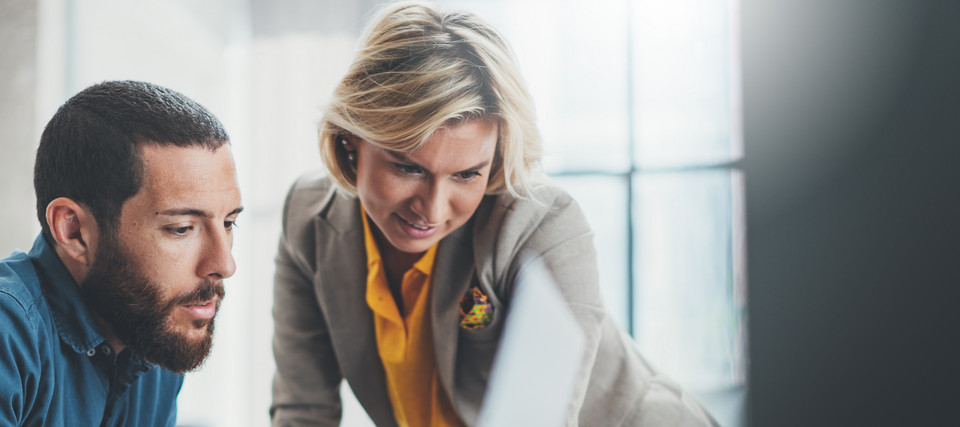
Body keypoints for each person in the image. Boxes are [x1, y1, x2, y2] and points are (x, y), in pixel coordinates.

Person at [269, 2, 718, 426]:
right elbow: (303, 412)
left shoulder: (541, 225)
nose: (432, 207)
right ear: (351, 138)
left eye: (466, 175)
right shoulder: (308, 219)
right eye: (407, 167)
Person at [0, 80, 242, 426]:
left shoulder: (152, 339)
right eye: (181, 229)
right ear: (73, 230)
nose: (224, 264)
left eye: (228, 223)